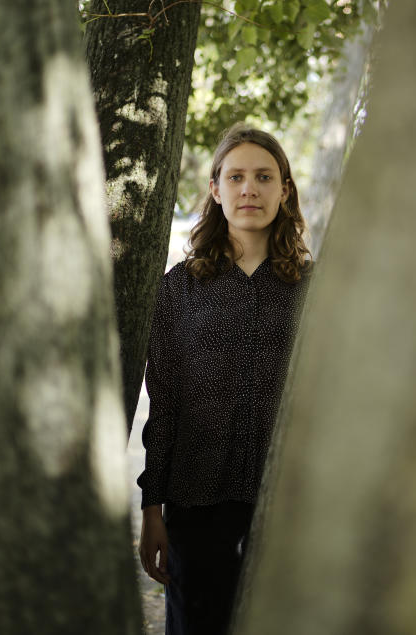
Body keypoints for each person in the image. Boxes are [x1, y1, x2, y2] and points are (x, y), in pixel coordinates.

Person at [137, 123, 312, 635]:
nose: (249, 189)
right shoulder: (181, 289)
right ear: (215, 190)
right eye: (235, 177)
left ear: (284, 190)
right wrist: (152, 508)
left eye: (263, 177)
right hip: (197, 503)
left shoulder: (314, 291)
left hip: (287, 506)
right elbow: (164, 404)